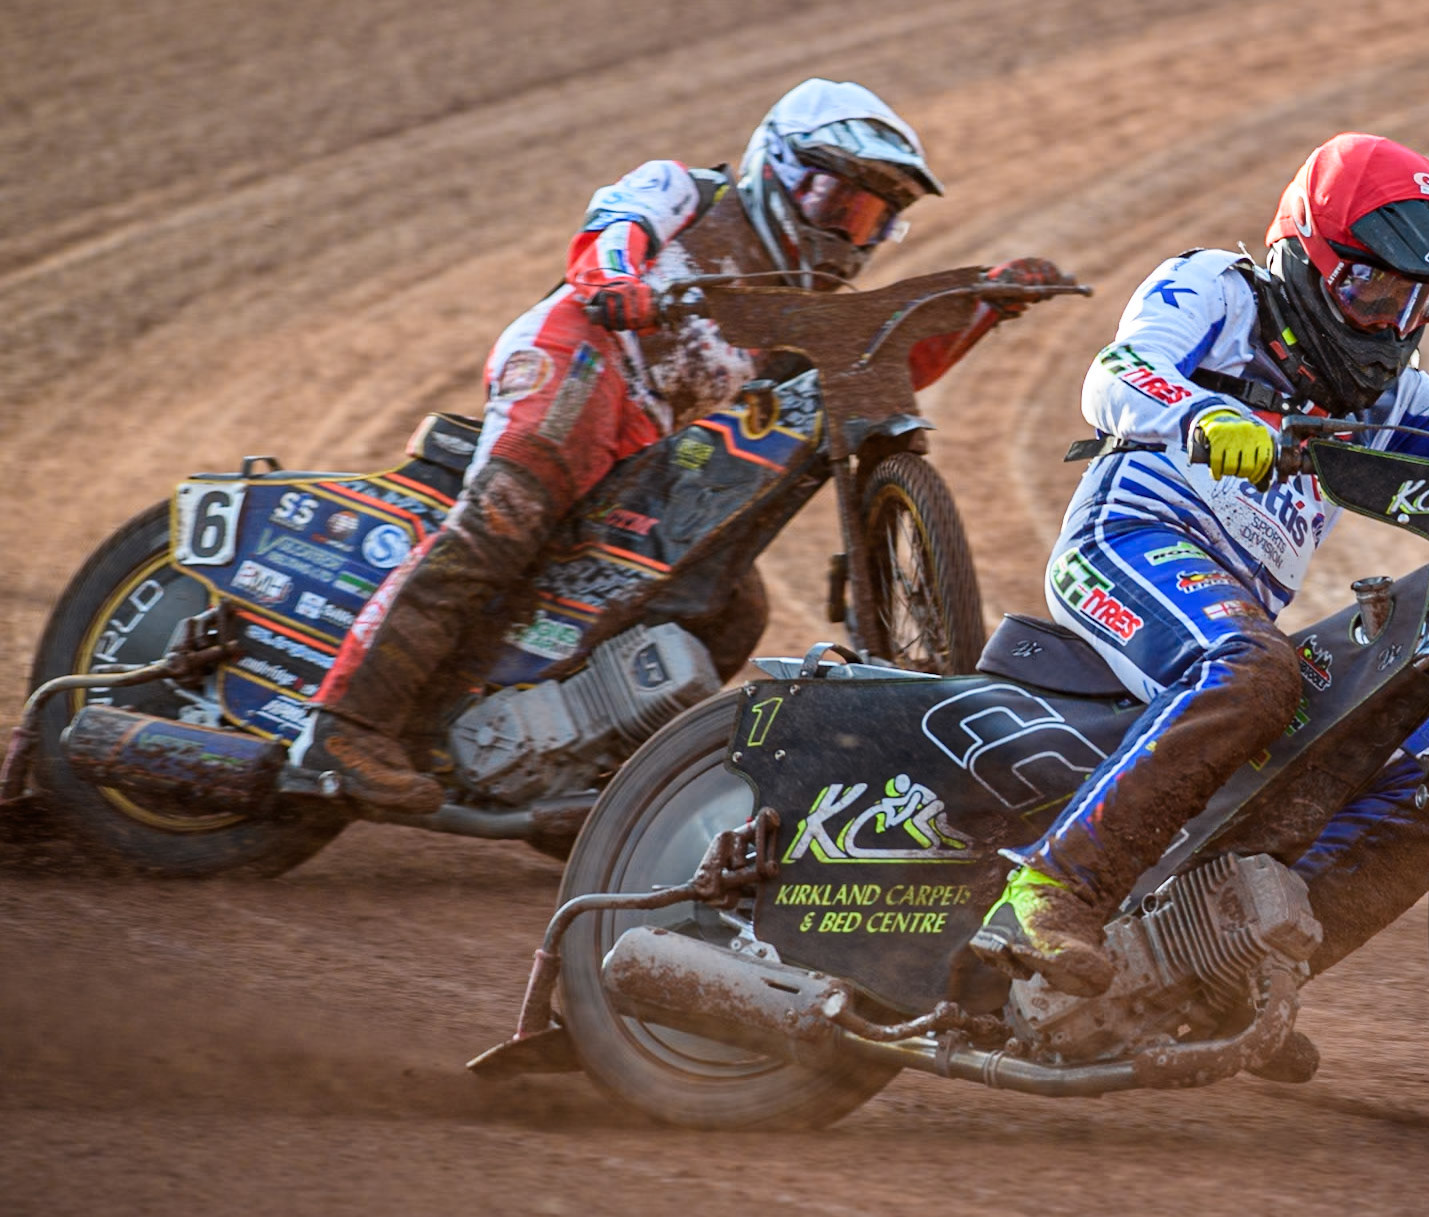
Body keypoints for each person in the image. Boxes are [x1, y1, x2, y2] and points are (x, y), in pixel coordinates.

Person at [969, 133, 1429, 1030]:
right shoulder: (1215, 288)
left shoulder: (1392, 398)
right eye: (1372, 288)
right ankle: (1051, 885)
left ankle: (1221, 980)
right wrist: (1204, 412)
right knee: (1252, 668)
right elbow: (1117, 373)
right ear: (1304, 256)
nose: (1392, 322)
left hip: (1234, 603)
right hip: (1129, 540)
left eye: (1420, 302)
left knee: (1422, 781)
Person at [296, 78, 1066, 813]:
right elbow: (611, 233)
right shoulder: (688, 190)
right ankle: (346, 729)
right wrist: (618, 279)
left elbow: (876, 367)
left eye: (864, 216)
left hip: (650, 438)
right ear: (776, 165)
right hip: (581, 361)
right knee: (507, 518)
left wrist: (982, 304)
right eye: (832, 198)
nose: (840, 229)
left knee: (726, 605)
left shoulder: (799, 300)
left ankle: (581, 773)